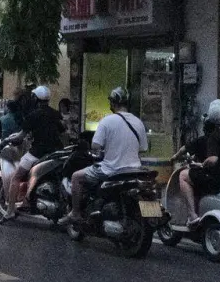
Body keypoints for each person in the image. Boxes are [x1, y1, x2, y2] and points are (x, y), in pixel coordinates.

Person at [63, 87, 149, 227]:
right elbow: (143, 148)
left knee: (76, 177)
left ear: (113, 103)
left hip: (111, 169)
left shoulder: (107, 121)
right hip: (134, 170)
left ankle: (76, 213)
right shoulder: (138, 122)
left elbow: (96, 145)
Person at [9, 85, 66, 209]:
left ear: (35, 99)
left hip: (38, 152)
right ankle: (27, 198)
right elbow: (63, 131)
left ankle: (10, 210)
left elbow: (20, 137)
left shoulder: (32, 115)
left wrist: (8, 139)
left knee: (16, 177)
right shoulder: (55, 113)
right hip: (56, 152)